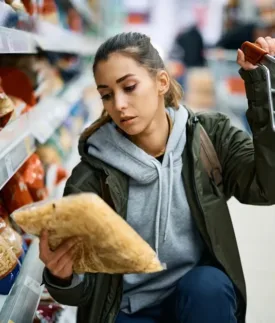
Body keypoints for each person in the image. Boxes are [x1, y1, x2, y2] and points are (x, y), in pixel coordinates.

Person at [39, 32, 275, 323]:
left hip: (194, 299)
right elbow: (82, 293)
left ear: (161, 82)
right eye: (107, 95)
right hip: (125, 310)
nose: (119, 105)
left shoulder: (209, 138)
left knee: (208, 287)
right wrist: (61, 277)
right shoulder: (91, 180)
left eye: (129, 87)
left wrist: (263, 89)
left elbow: (267, 188)